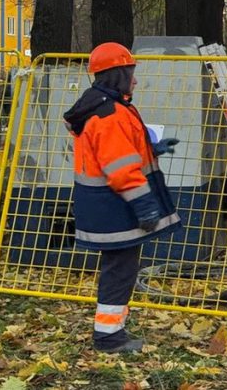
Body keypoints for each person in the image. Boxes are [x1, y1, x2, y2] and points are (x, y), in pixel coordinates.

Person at [63, 42, 182, 354]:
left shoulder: (103, 108)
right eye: (131, 73)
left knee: (121, 268)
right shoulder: (110, 114)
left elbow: (119, 154)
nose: (136, 80)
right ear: (118, 75)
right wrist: (144, 205)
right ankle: (109, 337)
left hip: (105, 205)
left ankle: (111, 331)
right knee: (120, 270)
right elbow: (120, 169)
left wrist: (152, 149)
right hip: (114, 207)